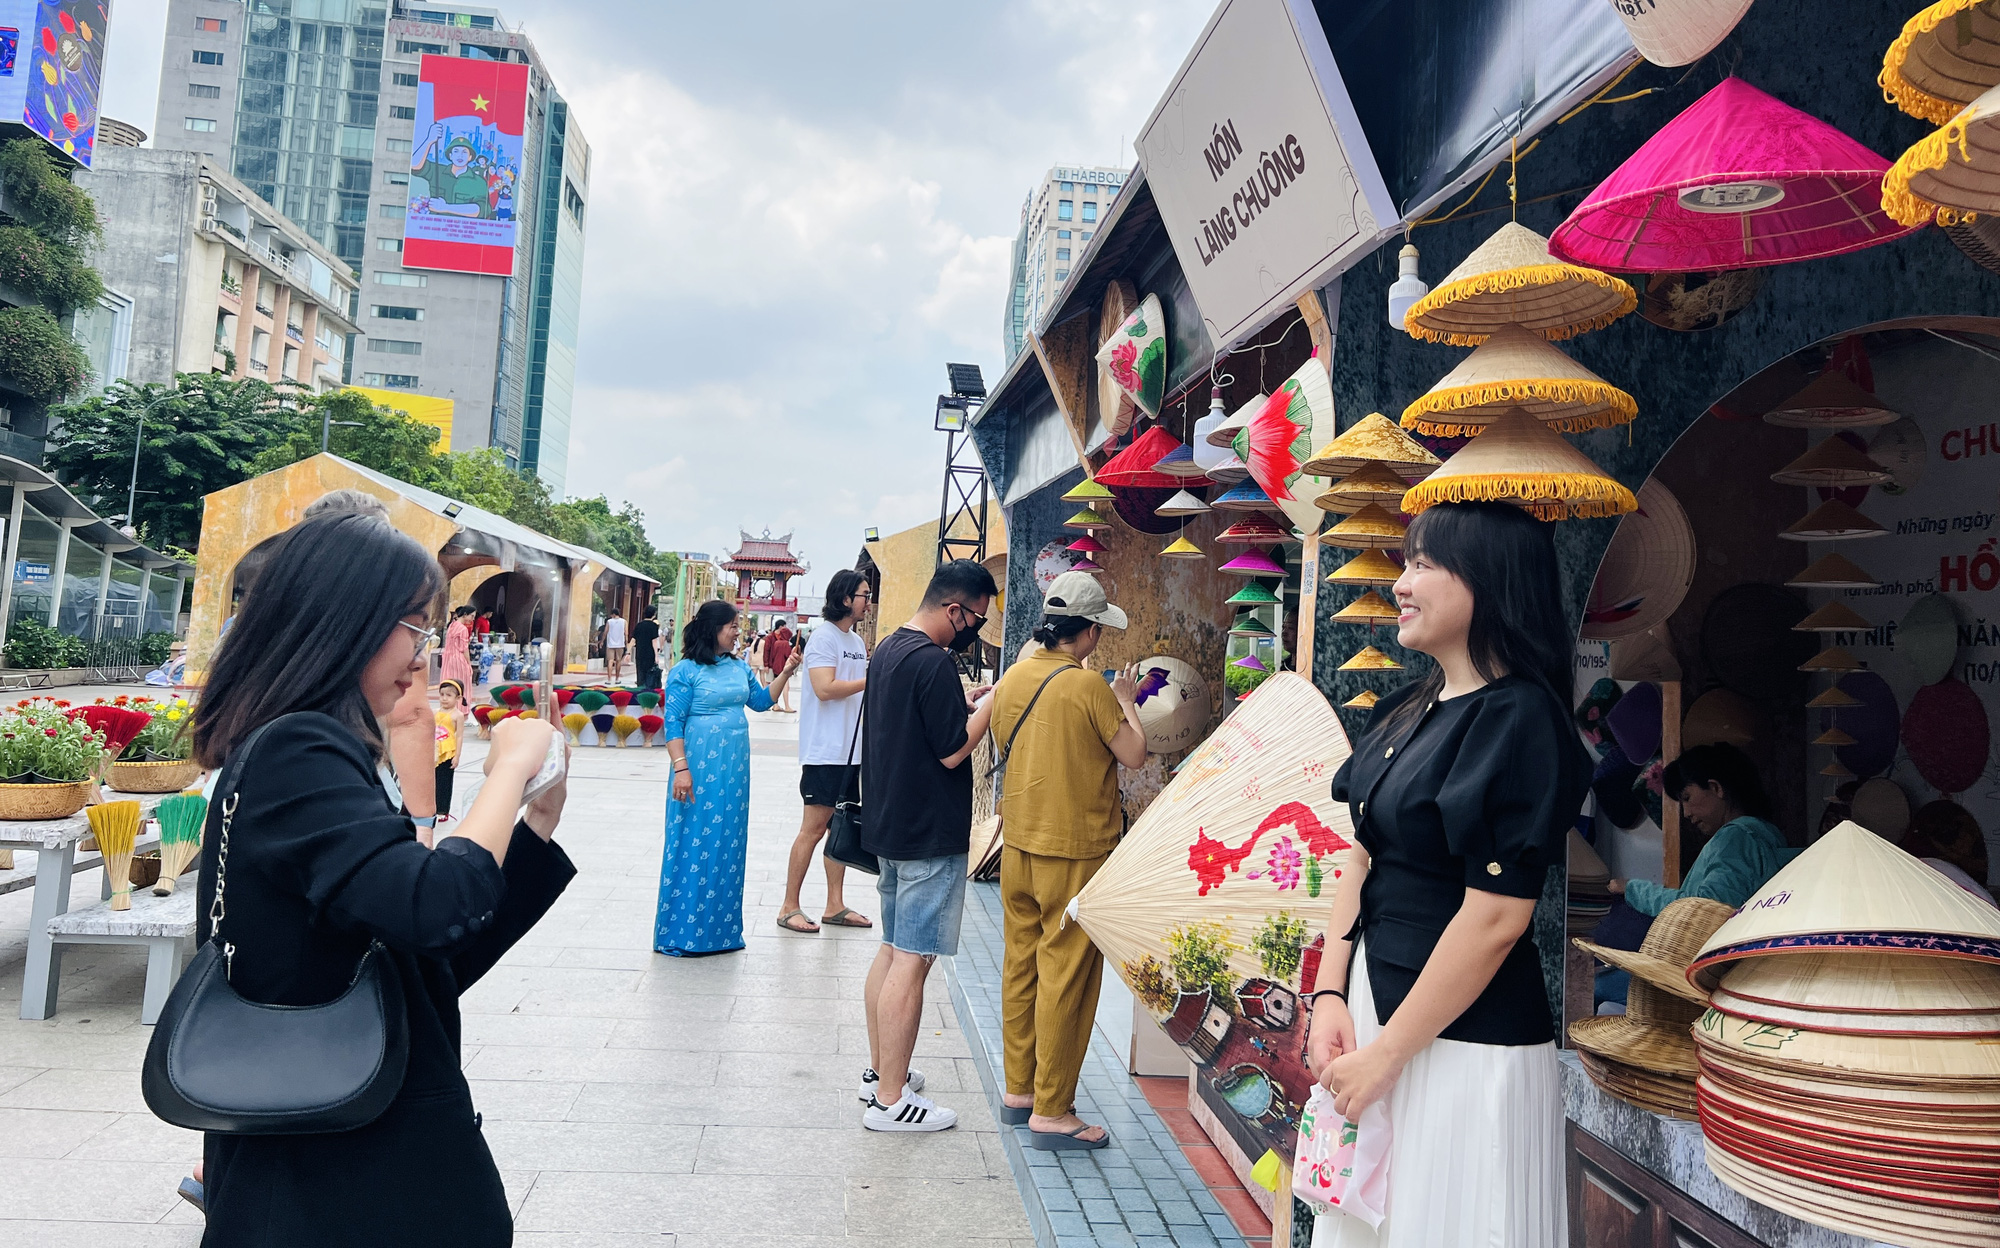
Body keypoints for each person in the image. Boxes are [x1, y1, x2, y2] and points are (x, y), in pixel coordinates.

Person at [185, 510, 573, 1246]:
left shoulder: (306, 748)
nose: (423, 655)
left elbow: (421, 957)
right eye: (413, 626)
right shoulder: (299, 747)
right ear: (343, 620)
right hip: (334, 1170)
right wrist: (509, 769)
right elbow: (436, 906)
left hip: (341, 1147)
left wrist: (534, 827)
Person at [1308, 502, 1588, 1247]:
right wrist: (1331, 993)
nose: (1402, 583)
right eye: (1406, 562)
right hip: (1377, 1015)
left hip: (1464, 1047)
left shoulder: (1523, 718)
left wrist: (1388, 1058)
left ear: (1489, 581)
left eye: (1425, 564)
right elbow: (1361, 854)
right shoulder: (1409, 706)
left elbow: (1498, 917)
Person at [991, 571, 1148, 1150]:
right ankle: (1053, 1110)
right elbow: (1133, 755)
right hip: (1076, 850)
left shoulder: (1014, 678)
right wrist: (1127, 702)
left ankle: (1019, 1091)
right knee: (1067, 976)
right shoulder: (1088, 689)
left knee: (1021, 967)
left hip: (1020, 847)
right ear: (1086, 634)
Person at [858, 560, 998, 1132]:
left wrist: (963, 701)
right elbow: (952, 751)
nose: (975, 630)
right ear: (954, 610)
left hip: (891, 823)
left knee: (892, 949)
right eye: (976, 619)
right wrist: (992, 703)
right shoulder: (934, 664)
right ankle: (891, 1100)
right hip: (928, 834)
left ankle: (880, 1071)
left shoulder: (891, 649)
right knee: (913, 960)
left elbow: (917, 724)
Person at [654, 599, 801, 956]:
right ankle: (682, 933)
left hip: (733, 772)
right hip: (698, 768)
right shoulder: (685, 672)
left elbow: (762, 702)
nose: (738, 632)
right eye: (732, 626)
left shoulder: (737, 667)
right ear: (712, 629)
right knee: (693, 842)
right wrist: (681, 769)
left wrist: (787, 671)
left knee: (728, 843)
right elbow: (672, 724)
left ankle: (721, 933)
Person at [779, 570, 873, 934]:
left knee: (840, 826)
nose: (868, 601)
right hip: (825, 752)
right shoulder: (824, 638)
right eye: (864, 595)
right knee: (813, 828)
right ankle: (789, 906)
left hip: (851, 752)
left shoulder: (856, 641)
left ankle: (835, 904)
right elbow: (824, 688)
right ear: (847, 599)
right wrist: (873, 676)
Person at [1610, 743, 1792, 915]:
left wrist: (1632, 890)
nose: (1686, 813)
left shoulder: (1735, 837)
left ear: (1715, 788)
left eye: (1687, 798)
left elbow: (1705, 909)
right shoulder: (1765, 838)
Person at [435, 678, 466, 823]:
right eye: (442, 695)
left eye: (449, 695)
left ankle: (443, 810)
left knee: (444, 781)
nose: (444, 698)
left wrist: (457, 755)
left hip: (447, 752)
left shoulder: (457, 715)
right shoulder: (435, 712)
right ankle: (432, 807)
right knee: (432, 781)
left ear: (458, 698)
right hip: (434, 751)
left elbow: (459, 736)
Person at [441, 605, 476, 692]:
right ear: (465, 614)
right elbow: (464, 649)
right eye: (471, 616)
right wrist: (469, 664)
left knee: (449, 683)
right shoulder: (463, 629)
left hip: (447, 658)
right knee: (462, 684)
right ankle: (461, 704)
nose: (472, 619)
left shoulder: (451, 625)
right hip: (458, 659)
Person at [764, 622, 796, 712]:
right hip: (783, 666)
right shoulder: (786, 644)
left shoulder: (776, 642)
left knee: (774, 685)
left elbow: (772, 654)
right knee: (786, 686)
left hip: (775, 666)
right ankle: (787, 706)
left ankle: (775, 705)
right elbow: (788, 656)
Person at [631, 603, 663, 691]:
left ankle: (640, 690)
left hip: (640, 653)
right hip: (650, 654)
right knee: (650, 674)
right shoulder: (654, 626)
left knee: (640, 673)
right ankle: (648, 691)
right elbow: (654, 641)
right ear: (654, 614)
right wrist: (656, 655)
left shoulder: (639, 625)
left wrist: (628, 653)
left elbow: (633, 640)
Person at [604, 610, 628, 683]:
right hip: (620, 644)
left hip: (610, 644)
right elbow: (626, 633)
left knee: (610, 661)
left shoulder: (609, 622)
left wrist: (602, 640)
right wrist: (626, 643)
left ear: (613, 614)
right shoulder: (624, 622)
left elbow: (605, 632)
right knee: (618, 661)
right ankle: (617, 679)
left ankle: (609, 679)